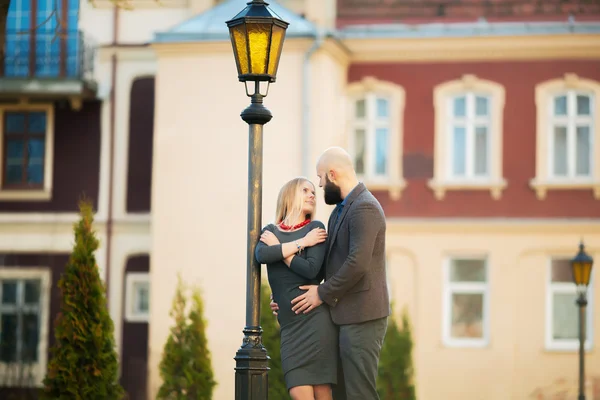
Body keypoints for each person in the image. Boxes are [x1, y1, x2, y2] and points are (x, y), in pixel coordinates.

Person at [271, 147, 390, 400]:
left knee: (360, 393)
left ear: (333, 175)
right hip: (344, 316)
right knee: (345, 394)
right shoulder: (339, 211)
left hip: (362, 317)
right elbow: (325, 266)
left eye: (321, 179)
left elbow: (358, 264)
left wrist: (321, 294)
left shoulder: (365, 207)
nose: (321, 186)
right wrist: (285, 295)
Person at [255, 177, 338, 400]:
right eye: (305, 190)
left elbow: (311, 270)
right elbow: (262, 254)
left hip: (316, 324)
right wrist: (301, 244)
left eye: (313, 191)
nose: (312, 194)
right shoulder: (270, 231)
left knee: (322, 395)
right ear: (290, 195)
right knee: (297, 392)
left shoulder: (315, 229)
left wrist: (281, 250)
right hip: (290, 330)